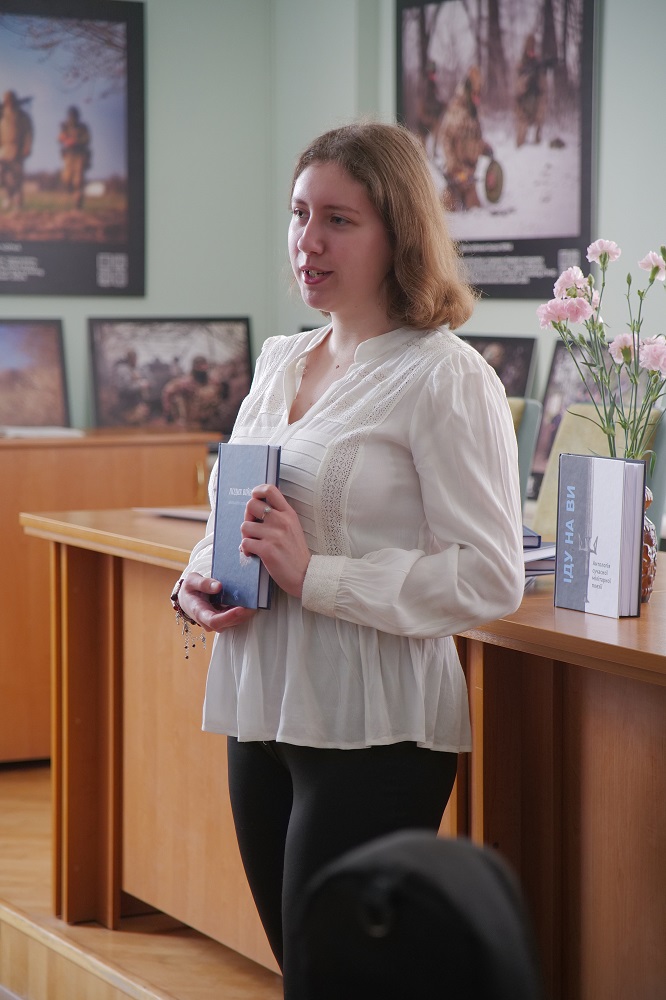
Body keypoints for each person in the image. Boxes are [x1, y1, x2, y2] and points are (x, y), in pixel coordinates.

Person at [170, 120, 524, 998]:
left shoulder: (447, 376)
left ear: (398, 232)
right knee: (305, 974)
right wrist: (198, 577)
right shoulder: (281, 359)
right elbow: (240, 512)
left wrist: (315, 577)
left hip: (374, 730)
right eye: (299, 214)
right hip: (261, 712)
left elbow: (491, 576)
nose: (309, 240)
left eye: (339, 219)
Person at [439, 65, 493, 211]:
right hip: (456, 177)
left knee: (475, 208)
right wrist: (453, 166)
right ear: (469, 91)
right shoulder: (457, 110)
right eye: (475, 93)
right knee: (443, 210)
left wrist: (485, 148)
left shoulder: (473, 112)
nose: (478, 96)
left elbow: (475, 139)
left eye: (479, 93)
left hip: (469, 177)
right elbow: (445, 139)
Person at [0, 90, 33, 210]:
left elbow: (28, 133)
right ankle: (9, 197)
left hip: (18, 150)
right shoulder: (1, 114)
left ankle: (18, 202)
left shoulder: (22, 116)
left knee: (17, 177)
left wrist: (27, 147)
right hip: (3, 150)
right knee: (3, 175)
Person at [515, 34, 546, 148]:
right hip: (523, 104)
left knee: (539, 120)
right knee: (521, 136)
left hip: (536, 101)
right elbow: (518, 88)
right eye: (529, 50)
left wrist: (539, 74)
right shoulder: (521, 65)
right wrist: (528, 78)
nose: (532, 53)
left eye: (533, 50)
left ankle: (537, 146)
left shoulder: (538, 63)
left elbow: (543, 87)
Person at [58, 105, 91, 209]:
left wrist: (75, 142)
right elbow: (60, 138)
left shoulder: (83, 127)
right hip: (68, 156)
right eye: (70, 116)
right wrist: (63, 139)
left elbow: (87, 139)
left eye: (73, 116)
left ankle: (77, 204)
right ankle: (71, 197)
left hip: (79, 156)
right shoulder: (65, 127)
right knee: (66, 178)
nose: (72, 118)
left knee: (78, 181)